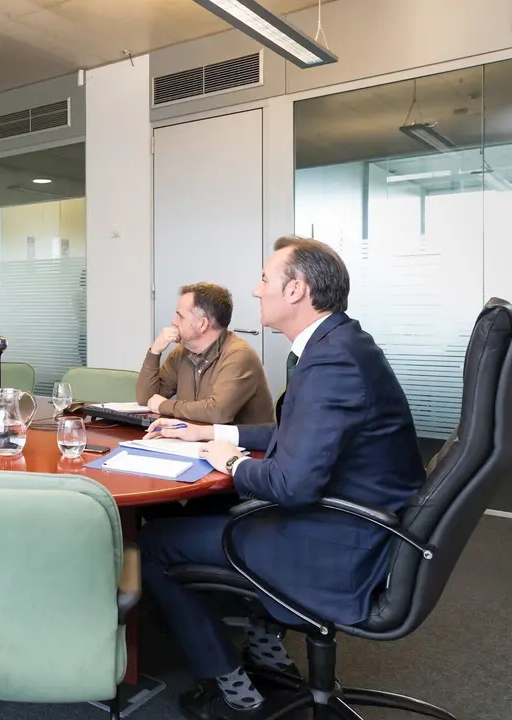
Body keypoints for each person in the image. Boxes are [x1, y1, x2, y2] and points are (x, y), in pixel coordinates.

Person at [138, 237, 425, 720]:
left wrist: (229, 462)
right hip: (364, 525)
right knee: (216, 515)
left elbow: (291, 485)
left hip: (339, 543)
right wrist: (211, 432)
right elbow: (300, 430)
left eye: (266, 279)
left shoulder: (331, 360)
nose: (256, 290)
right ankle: (263, 641)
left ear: (296, 290)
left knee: (156, 544)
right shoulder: (342, 345)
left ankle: (232, 683)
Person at [135, 283, 273, 425]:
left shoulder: (239, 355)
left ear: (202, 324)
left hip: (241, 446)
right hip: (196, 441)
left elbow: (218, 412)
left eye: (180, 316)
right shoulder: (181, 353)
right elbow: (147, 399)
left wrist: (164, 406)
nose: (174, 322)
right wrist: (155, 351)